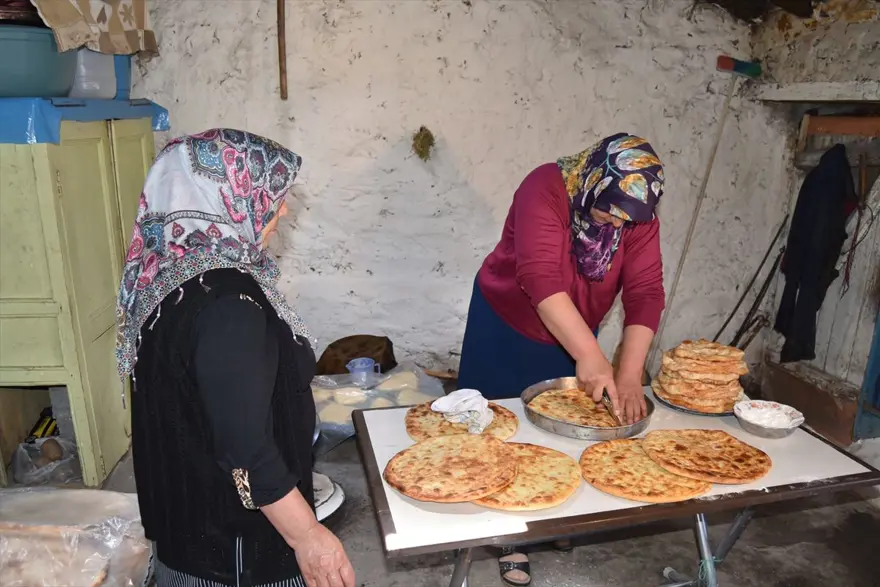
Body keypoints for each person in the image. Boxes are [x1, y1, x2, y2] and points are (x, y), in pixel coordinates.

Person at [116, 129, 356, 587]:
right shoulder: (229, 308)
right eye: (268, 194)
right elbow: (247, 450)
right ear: (226, 196)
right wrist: (308, 536)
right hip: (237, 555)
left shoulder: (166, 280)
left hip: (189, 530)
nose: (281, 209)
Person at [457, 133, 666, 586]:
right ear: (593, 179)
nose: (615, 223)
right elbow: (540, 278)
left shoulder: (636, 209)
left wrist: (629, 373)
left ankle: (555, 511)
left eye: (625, 219)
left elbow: (646, 291)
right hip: (507, 319)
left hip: (574, 324)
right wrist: (590, 356)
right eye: (608, 209)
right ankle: (510, 534)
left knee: (568, 426)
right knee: (499, 428)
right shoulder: (545, 188)